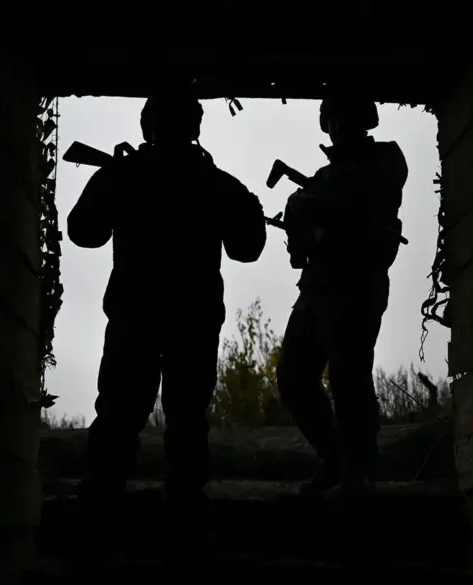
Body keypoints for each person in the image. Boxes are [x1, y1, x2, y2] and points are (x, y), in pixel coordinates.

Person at [67, 83, 267, 518]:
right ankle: (181, 501)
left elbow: (84, 232)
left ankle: (106, 497)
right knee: (185, 412)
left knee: (123, 408)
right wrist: (250, 210)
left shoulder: (126, 175)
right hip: (190, 318)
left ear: (147, 127)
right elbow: (248, 248)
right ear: (196, 129)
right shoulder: (216, 185)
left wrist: (111, 182)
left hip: (136, 314)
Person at [276, 88, 408, 495]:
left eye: (346, 119)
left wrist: (315, 205)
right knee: (293, 375)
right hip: (318, 287)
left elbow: (369, 198)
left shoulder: (384, 160)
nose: (338, 128)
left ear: (363, 121)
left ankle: (358, 470)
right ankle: (333, 458)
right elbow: (301, 244)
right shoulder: (321, 179)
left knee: (349, 376)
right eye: (332, 120)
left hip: (358, 284)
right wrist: (299, 223)